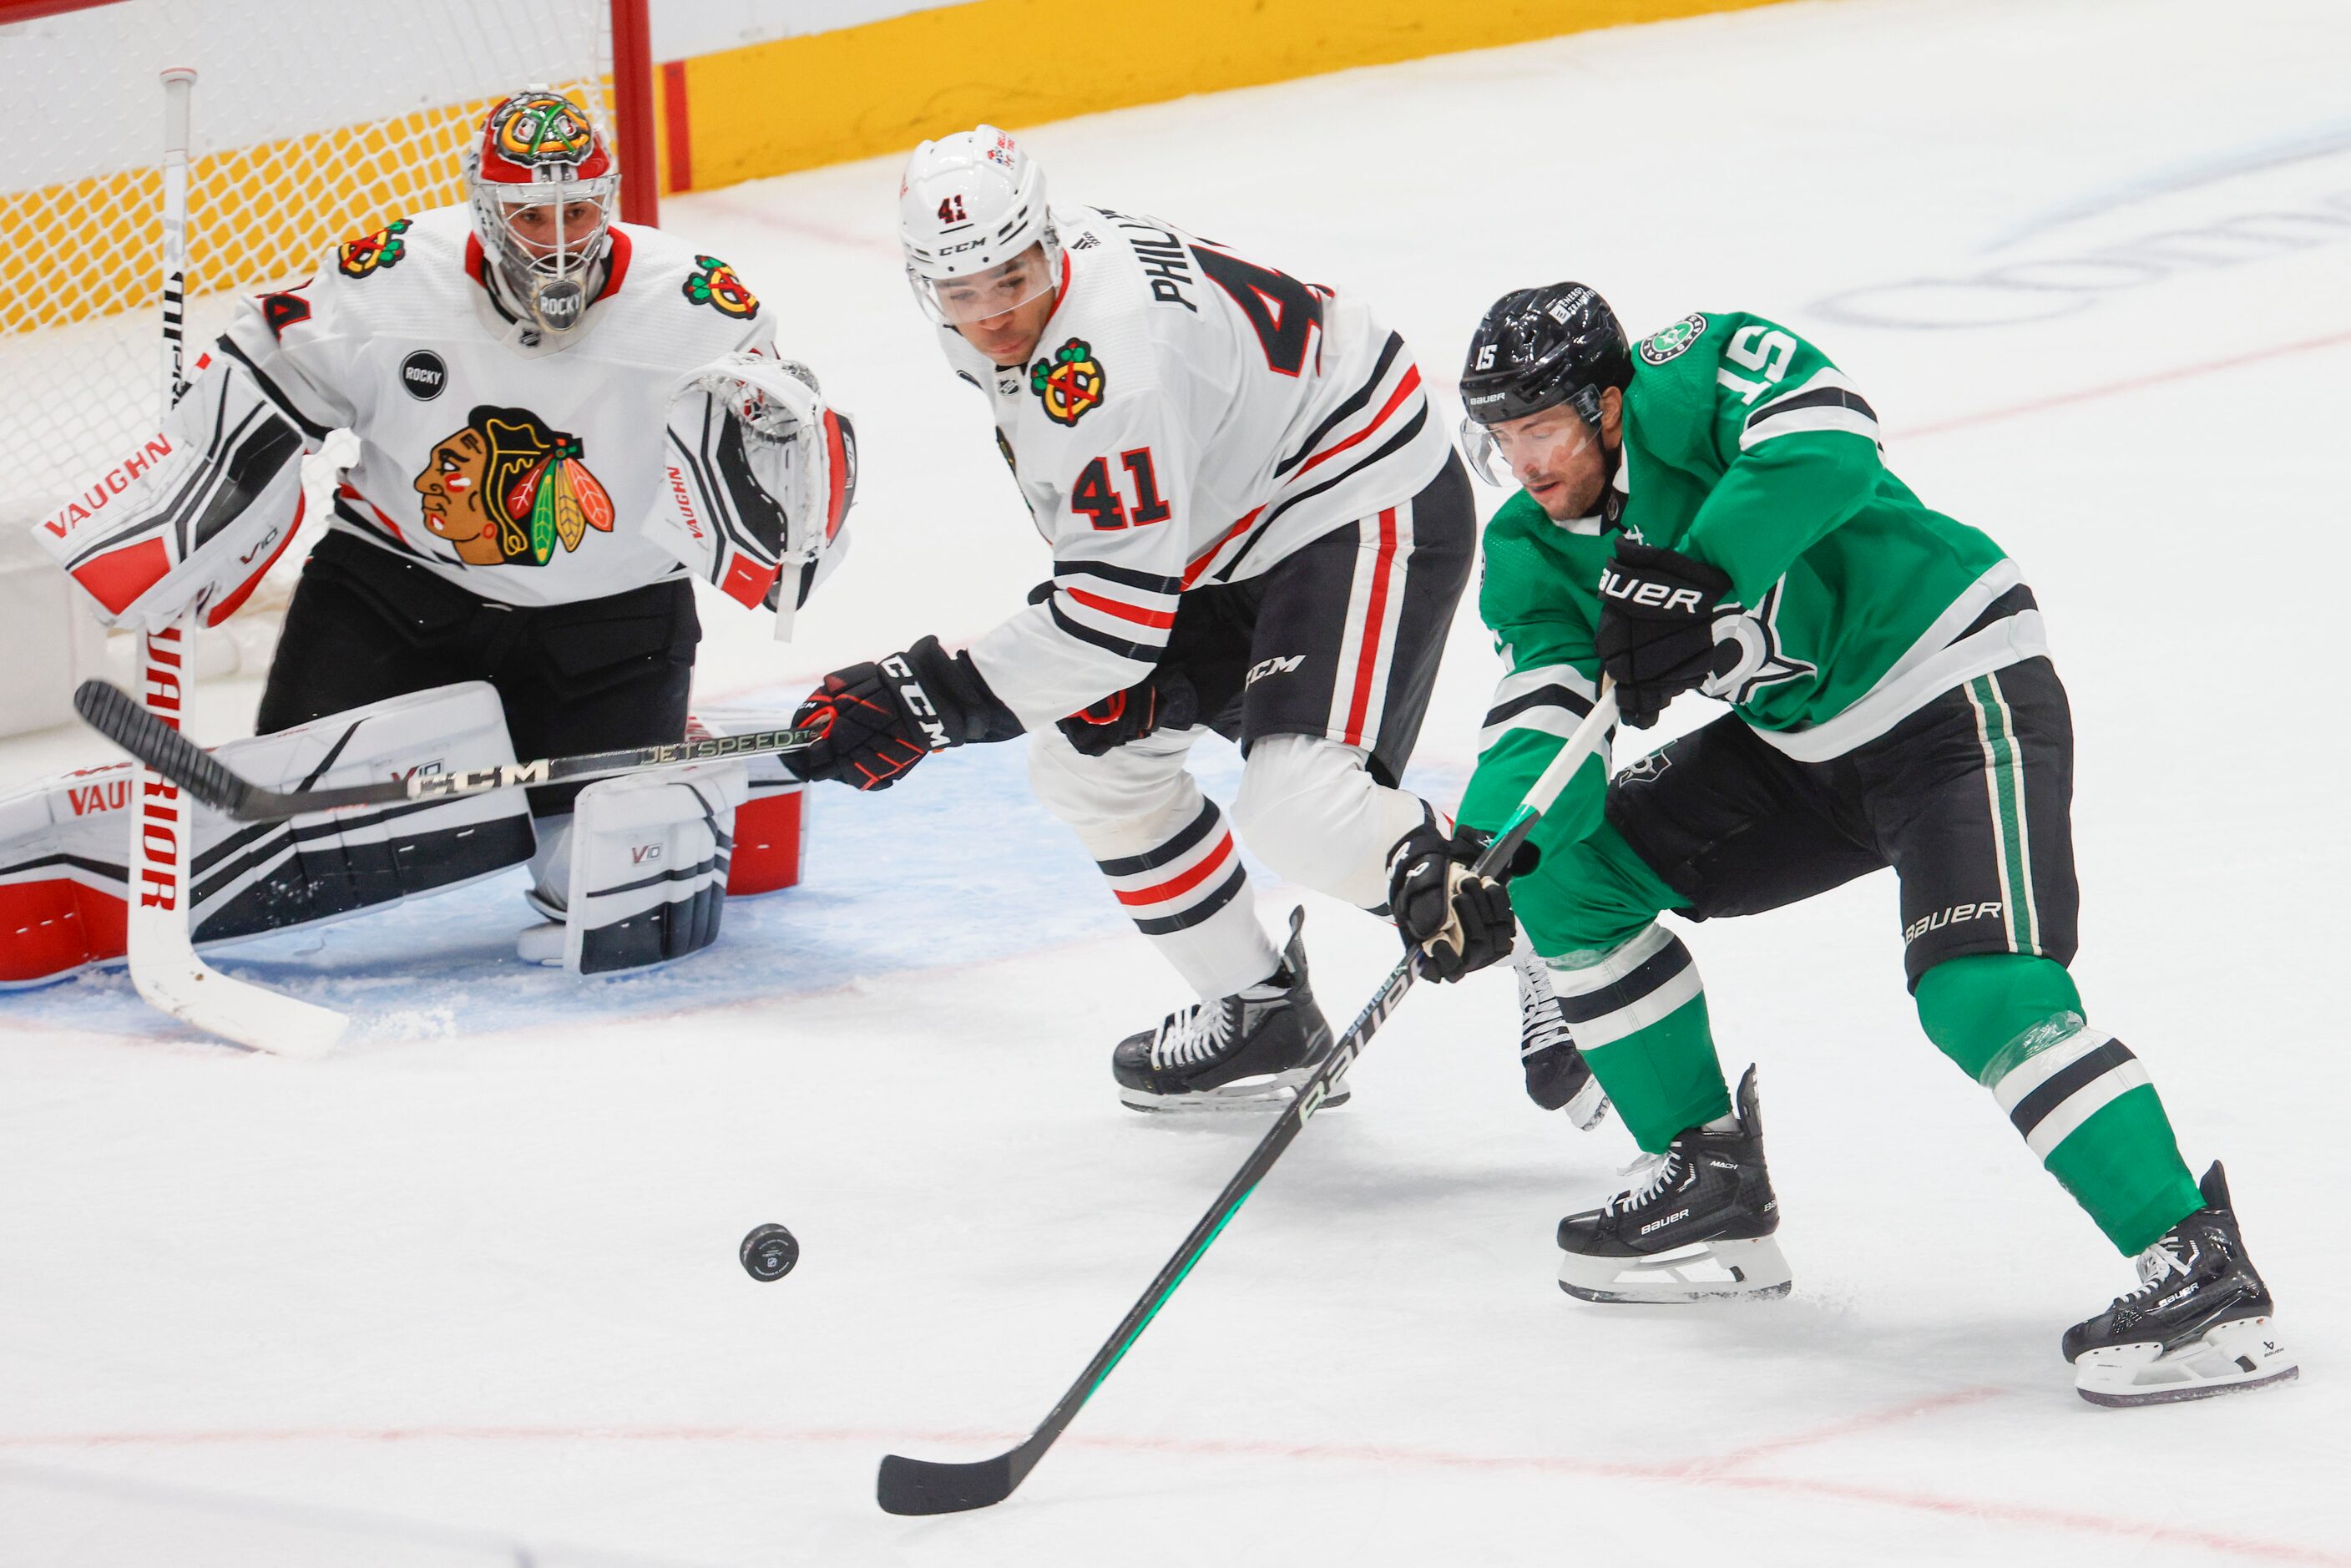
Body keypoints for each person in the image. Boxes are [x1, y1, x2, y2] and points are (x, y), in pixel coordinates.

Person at [1395, 281, 2293, 1405]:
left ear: (1609, 403)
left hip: (1952, 687)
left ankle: (2200, 1265)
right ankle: (1710, 1180)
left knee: (1979, 991)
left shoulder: (1693, 368)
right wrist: (1486, 853)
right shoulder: (1532, 550)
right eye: (1503, 433)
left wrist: (1703, 565)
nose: (1523, 458)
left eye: (1542, 426)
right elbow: (1545, 714)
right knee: (1569, 880)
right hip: (1806, 747)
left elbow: (1830, 439)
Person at [786, 125, 1602, 1120]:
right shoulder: (1029, 296)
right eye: (960, 293)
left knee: (1300, 806)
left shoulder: (1105, 363)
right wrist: (1042, 676)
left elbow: (1110, 616)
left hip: (1355, 494)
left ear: (1045, 243)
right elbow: (1112, 566)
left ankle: (1564, 946)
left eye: (1009, 280)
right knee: (1082, 766)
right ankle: (1257, 1012)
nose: (992, 315)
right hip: (1227, 527)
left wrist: (926, 697)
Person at [32, 89, 855, 976]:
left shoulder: (696, 306)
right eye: (531, 215)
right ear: (485, 207)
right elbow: (269, 357)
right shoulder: (392, 275)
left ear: (607, 200)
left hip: (611, 621)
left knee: (623, 909)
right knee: (291, 848)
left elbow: (784, 475)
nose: (560, 238)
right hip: (399, 594)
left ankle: (681, 760)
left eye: (578, 210)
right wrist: (197, 494)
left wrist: (785, 455)